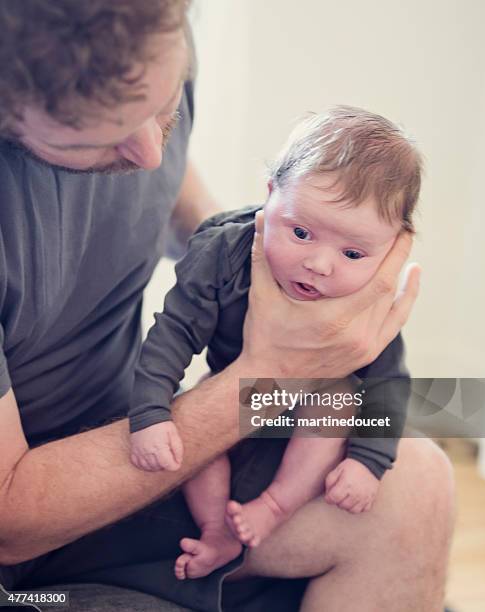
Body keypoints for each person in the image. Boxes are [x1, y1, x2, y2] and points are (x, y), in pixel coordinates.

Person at [0, 2, 454, 611]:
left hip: (137, 452)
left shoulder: (143, 29)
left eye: (163, 105)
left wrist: (234, 260)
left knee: (418, 481)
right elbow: (11, 522)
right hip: (38, 515)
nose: (148, 154)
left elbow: (167, 171)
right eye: (93, 136)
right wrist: (271, 371)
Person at [129, 107, 418, 580]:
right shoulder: (223, 253)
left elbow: (389, 381)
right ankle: (216, 531)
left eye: (352, 253)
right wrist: (150, 411)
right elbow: (173, 332)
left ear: (391, 249)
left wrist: (369, 460)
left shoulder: (371, 295)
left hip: (311, 419)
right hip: (235, 394)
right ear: (270, 197)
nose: (320, 264)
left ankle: (275, 505)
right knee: (189, 422)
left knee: (340, 399)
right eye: (301, 232)